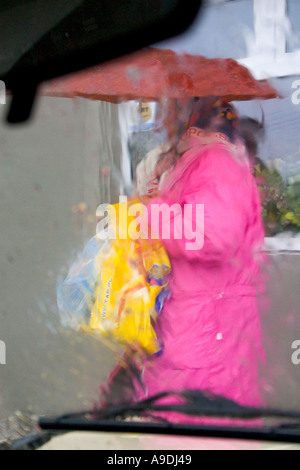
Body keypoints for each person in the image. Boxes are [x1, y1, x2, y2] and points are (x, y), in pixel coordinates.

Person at [134, 97, 267, 422]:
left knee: (201, 429)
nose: (164, 122)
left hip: (206, 330)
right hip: (198, 324)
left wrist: (150, 213)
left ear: (192, 121)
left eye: (171, 112)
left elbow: (211, 237)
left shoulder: (215, 162)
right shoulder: (196, 161)